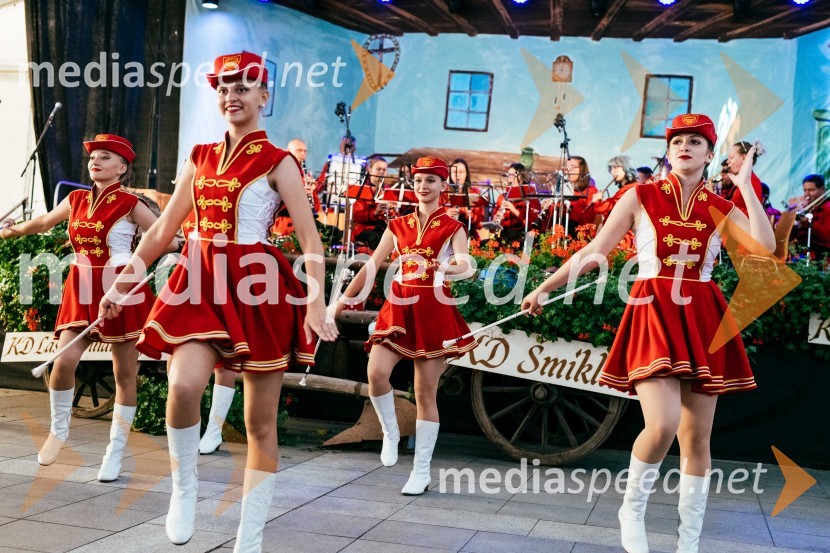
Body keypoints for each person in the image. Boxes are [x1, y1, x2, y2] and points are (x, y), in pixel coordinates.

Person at [99, 52, 339, 550]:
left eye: (244, 87)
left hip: (258, 288)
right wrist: (123, 284)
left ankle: (249, 537)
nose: (232, 96)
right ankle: (183, 490)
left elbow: (312, 242)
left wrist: (315, 302)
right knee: (183, 387)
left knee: (257, 421)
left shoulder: (279, 162)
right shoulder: (200, 155)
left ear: (263, 96)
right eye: (224, 88)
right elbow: (165, 228)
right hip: (199, 283)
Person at [522, 114, 775, 553]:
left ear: (710, 153)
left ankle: (689, 541)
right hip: (654, 309)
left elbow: (765, 249)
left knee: (696, 438)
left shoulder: (720, 206)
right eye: (678, 140)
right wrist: (546, 286)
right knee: (663, 424)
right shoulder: (639, 195)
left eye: (696, 141)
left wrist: (746, 184)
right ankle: (631, 509)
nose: (685, 147)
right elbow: (596, 250)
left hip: (703, 314)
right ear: (668, 149)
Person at [0, 134, 175, 480]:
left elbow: (161, 235)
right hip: (80, 286)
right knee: (63, 363)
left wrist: (142, 268)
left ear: (122, 168)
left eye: (105, 157)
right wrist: (11, 231)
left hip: (121, 285)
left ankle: (115, 450)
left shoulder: (129, 202)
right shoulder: (76, 198)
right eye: (93, 157)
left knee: (124, 374)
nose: (95, 161)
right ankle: (58, 431)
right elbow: (44, 222)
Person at [333, 156, 476, 495]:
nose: (423, 186)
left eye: (430, 180)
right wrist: (340, 302)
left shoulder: (454, 227)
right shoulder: (397, 225)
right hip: (397, 307)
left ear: (444, 186)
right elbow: (372, 266)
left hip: (433, 310)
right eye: (418, 180)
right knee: (375, 373)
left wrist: (446, 269)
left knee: (425, 392)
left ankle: (421, 470)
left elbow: (467, 264)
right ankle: (391, 431)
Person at [491, 163, 539, 243]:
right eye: (508, 175)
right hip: (505, 235)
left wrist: (514, 210)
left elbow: (532, 224)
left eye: (511, 175)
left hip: (524, 236)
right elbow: (492, 229)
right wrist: (496, 220)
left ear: (520, 177)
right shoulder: (502, 197)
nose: (508, 178)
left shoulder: (530, 196)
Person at [351, 155, 391, 249]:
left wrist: (392, 211)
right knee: (374, 237)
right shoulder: (362, 190)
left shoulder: (389, 191)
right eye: (378, 169)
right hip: (365, 229)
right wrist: (375, 212)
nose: (381, 172)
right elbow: (358, 216)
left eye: (384, 170)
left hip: (383, 227)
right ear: (370, 170)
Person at [793, 174, 830, 259]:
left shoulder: (828, 208)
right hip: (802, 253)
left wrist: (807, 222)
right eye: (805, 190)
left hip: (820, 257)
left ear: (822, 189)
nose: (807, 194)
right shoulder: (808, 207)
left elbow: (827, 237)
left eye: (811, 190)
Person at [723, 141, 764, 216]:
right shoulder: (739, 180)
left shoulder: (752, 181)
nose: (727, 161)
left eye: (731, 157)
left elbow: (752, 215)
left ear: (744, 158)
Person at [446, 158, 484, 236]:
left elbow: (480, 225)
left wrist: (471, 215)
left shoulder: (474, 192)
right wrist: (445, 215)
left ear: (467, 174)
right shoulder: (443, 192)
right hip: (447, 236)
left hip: (469, 235)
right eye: (454, 172)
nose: (457, 175)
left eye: (461, 172)